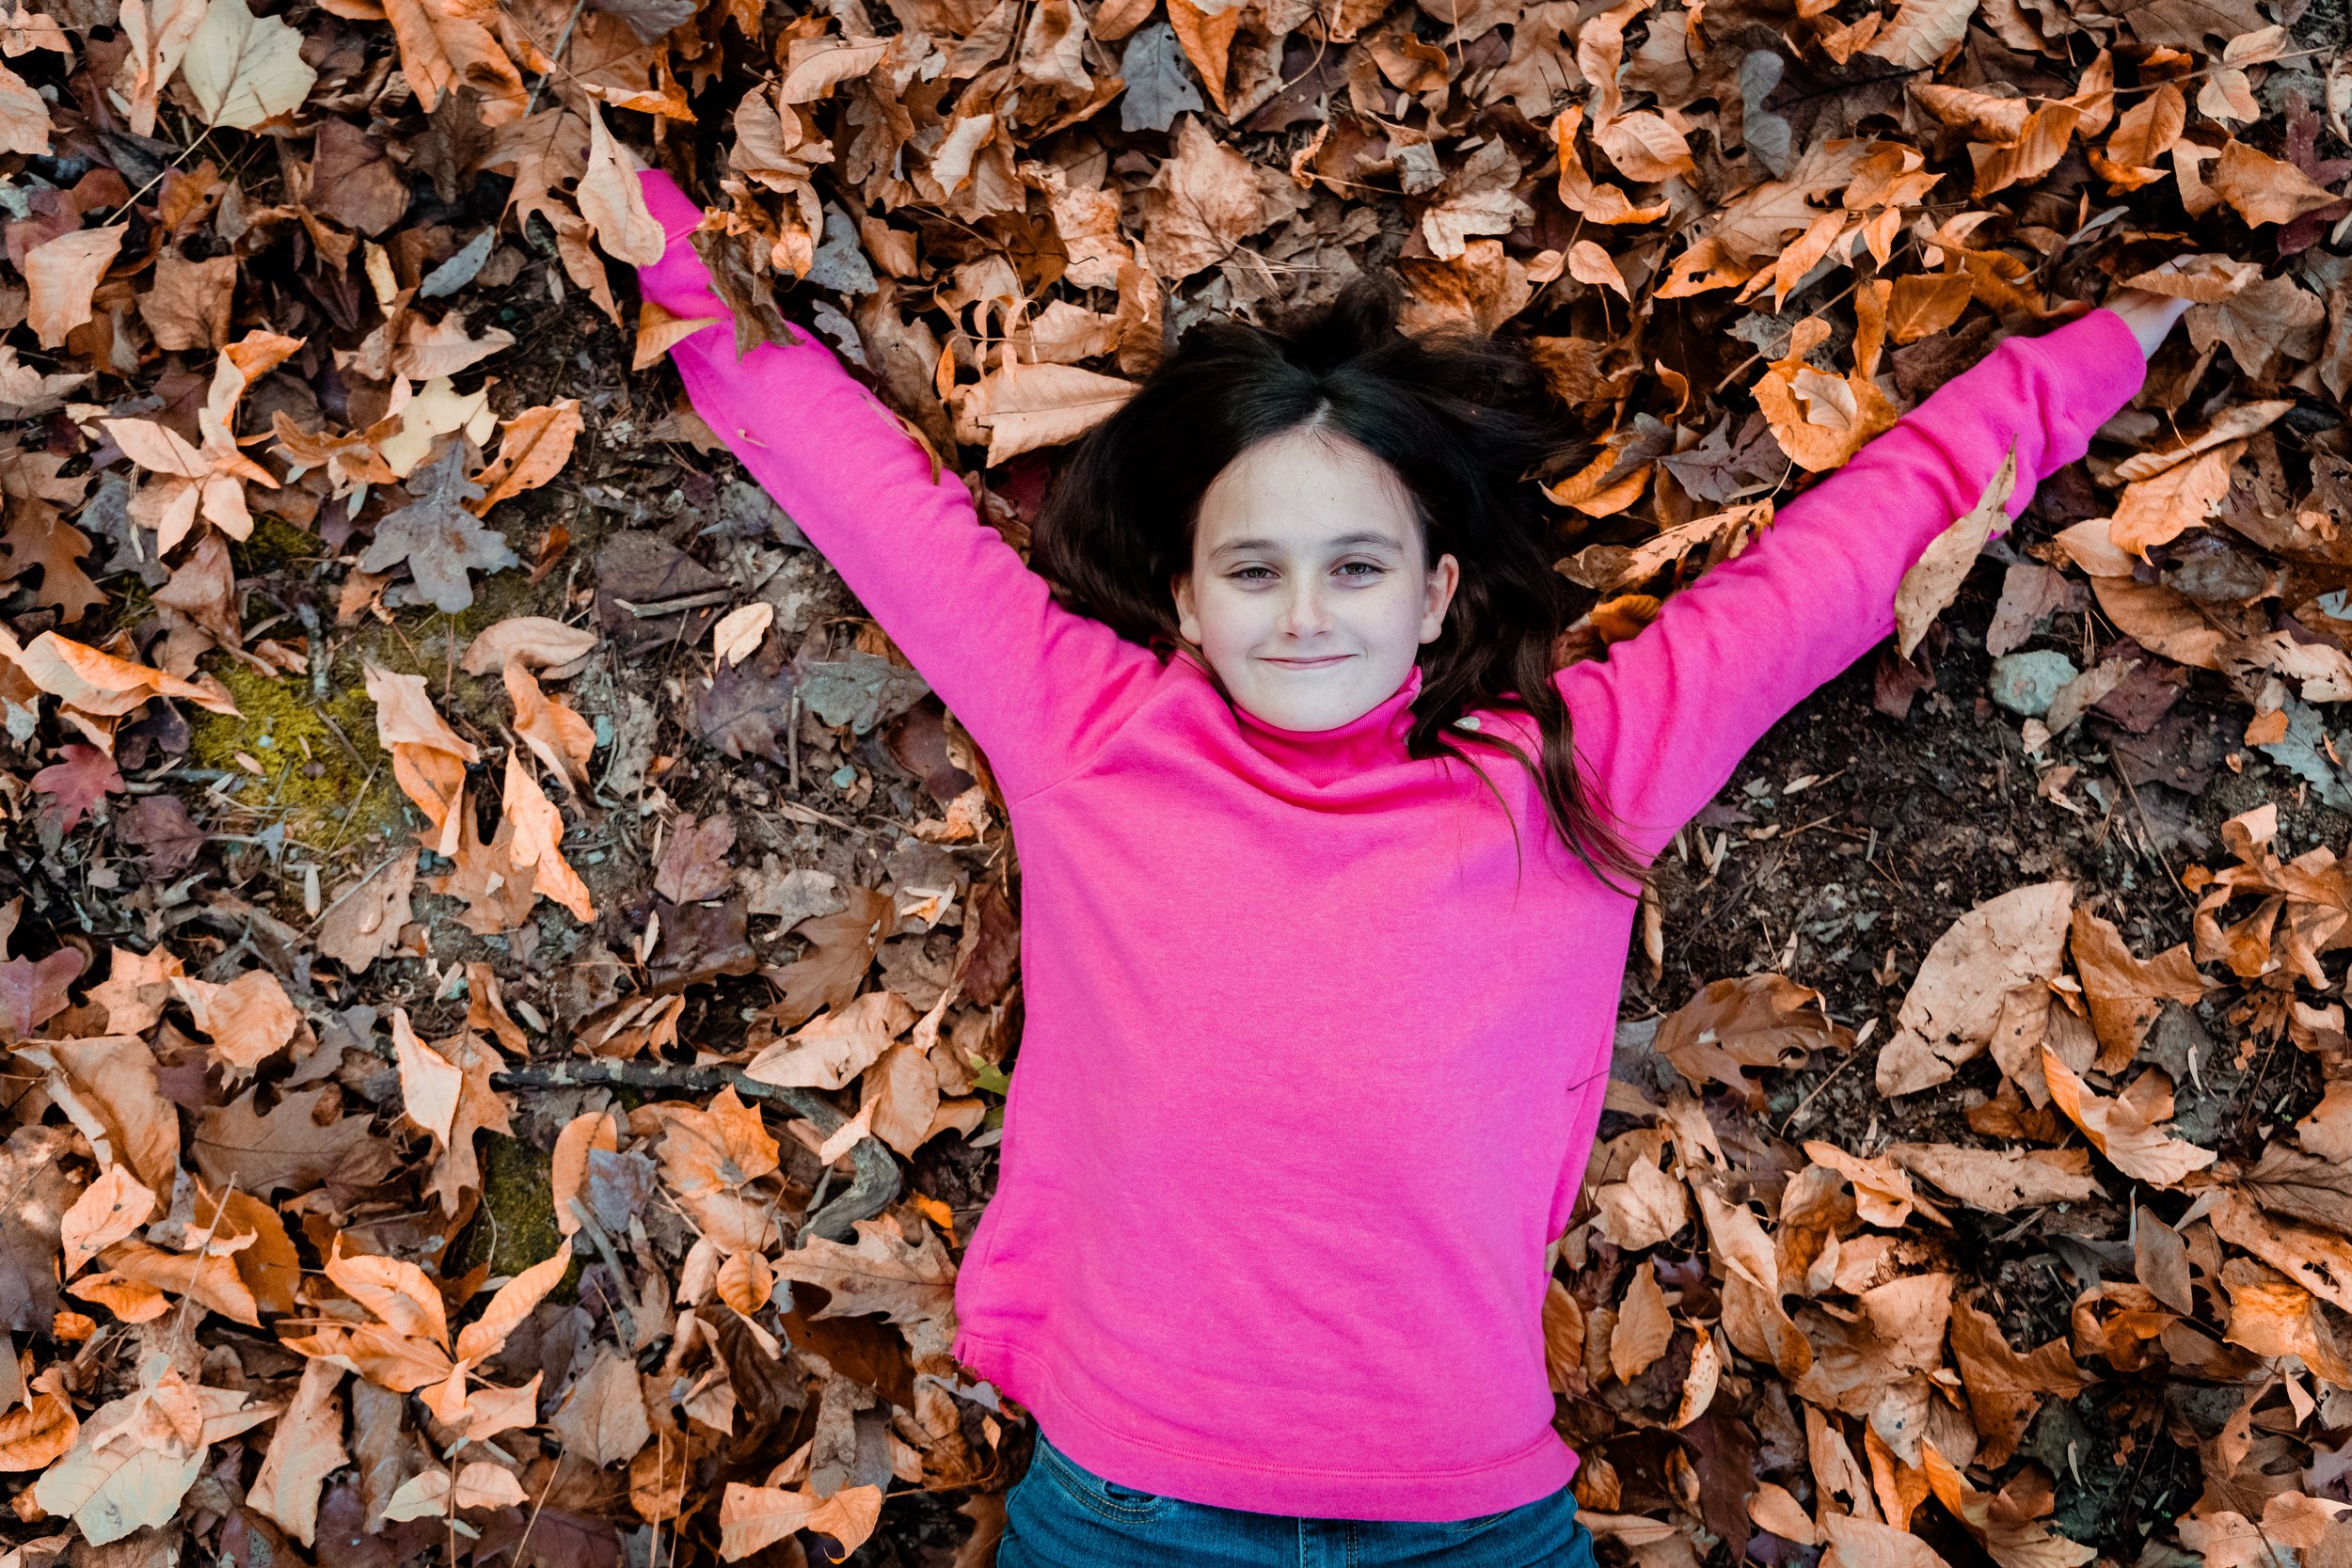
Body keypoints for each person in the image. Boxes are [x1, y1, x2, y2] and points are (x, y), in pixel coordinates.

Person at [629, 166, 2191, 1565]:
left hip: (1470, 1521)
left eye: (1357, 566)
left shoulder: (1578, 766)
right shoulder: (1087, 729)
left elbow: (1844, 561)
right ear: (1186, 601)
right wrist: (644, 225)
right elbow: (861, 487)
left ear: (1436, 594)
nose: (1307, 614)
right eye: (1254, 570)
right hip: (1127, 1506)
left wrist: (2117, 345)